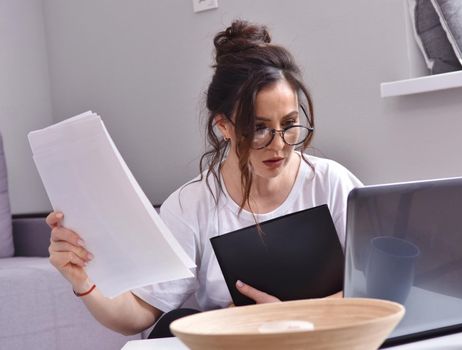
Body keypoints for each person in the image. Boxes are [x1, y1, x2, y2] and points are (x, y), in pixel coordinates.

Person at [46, 19, 362, 338]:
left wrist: (289, 317)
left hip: (334, 340)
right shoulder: (190, 206)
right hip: (240, 347)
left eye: (290, 122)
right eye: (259, 128)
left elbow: (380, 283)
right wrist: (84, 281)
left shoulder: (332, 183)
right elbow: (138, 313)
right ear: (224, 126)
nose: (279, 144)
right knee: (175, 323)